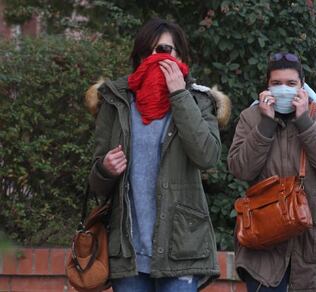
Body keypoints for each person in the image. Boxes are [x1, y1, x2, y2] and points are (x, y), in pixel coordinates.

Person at [84, 18, 231, 291]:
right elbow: (97, 184)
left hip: (182, 249)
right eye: (146, 52)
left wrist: (178, 95)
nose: (154, 58)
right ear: (138, 57)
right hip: (128, 252)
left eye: (163, 50)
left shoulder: (198, 100)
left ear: (181, 56)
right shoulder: (116, 102)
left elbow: (207, 156)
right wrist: (105, 169)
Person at [227, 52, 316, 292]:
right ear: (267, 86)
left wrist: (305, 120)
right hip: (266, 238)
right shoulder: (250, 118)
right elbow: (240, 169)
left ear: (302, 86)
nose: (283, 89)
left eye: (291, 83)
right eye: (276, 83)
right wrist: (265, 124)